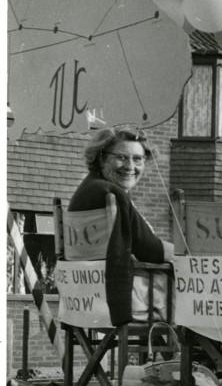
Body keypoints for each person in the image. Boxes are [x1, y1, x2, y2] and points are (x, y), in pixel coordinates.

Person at [68, 128, 173, 326]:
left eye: (138, 159)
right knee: (200, 292)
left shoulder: (88, 189)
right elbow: (150, 250)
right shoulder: (111, 193)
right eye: (122, 158)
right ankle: (200, 353)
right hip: (120, 298)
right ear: (101, 159)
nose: (130, 166)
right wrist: (187, 254)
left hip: (86, 295)